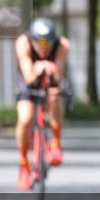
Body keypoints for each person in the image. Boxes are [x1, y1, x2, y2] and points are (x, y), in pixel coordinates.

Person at [14, 17, 70, 190]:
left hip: (51, 78)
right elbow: (28, 75)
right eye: (40, 44)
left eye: (48, 44)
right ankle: (23, 162)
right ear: (33, 40)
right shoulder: (23, 43)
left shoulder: (62, 45)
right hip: (28, 79)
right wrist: (37, 69)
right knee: (25, 118)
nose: (44, 48)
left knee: (54, 96)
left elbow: (59, 77)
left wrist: (52, 71)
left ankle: (56, 143)